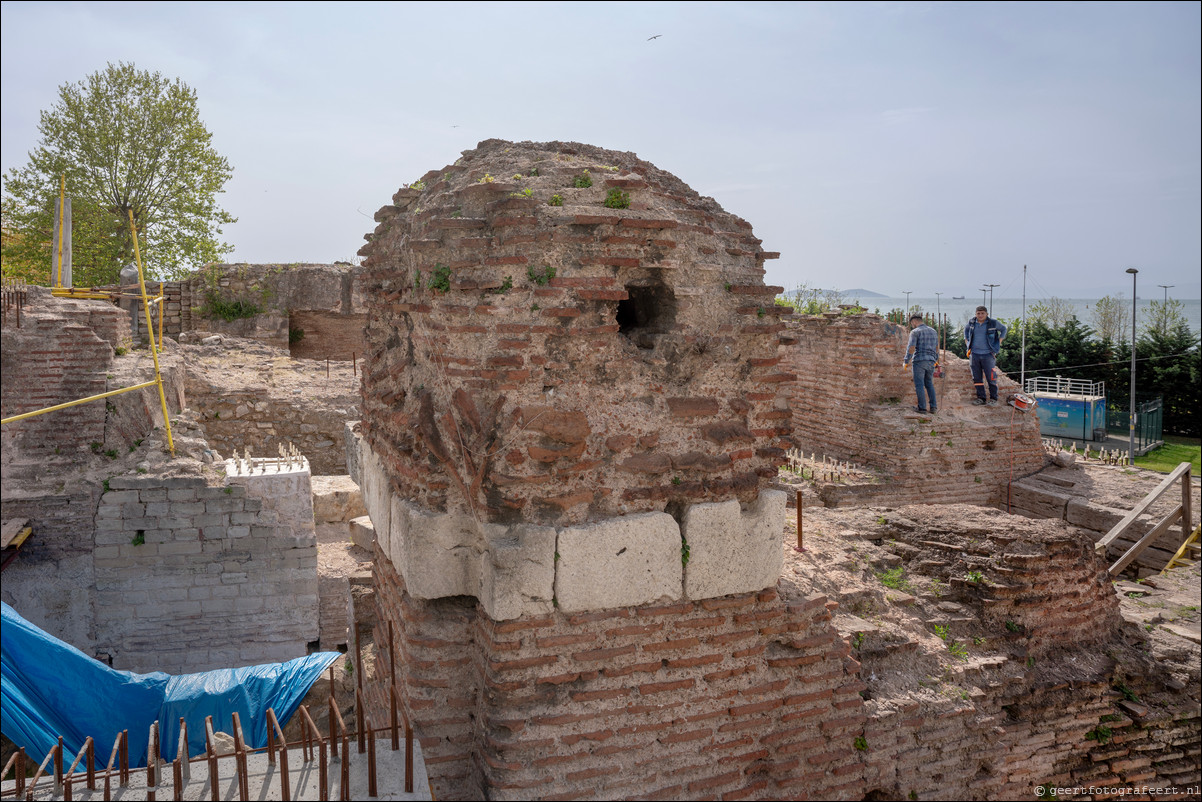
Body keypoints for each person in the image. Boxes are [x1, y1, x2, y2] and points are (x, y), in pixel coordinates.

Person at [963, 305, 1007, 406]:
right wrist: (967, 343)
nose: (980, 315)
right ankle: (981, 398)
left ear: (987, 314)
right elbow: (966, 332)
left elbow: (1004, 329)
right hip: (974, 355)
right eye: (978, 313)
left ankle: (993, 399)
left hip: (988, 355)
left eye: (982, 313)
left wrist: (999, 342)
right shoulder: (971, 323)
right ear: (975, 314)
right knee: (977, 378)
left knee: (991, 377)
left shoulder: (993, 323)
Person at [902, 313, 939, 413]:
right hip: (931, 361)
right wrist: (936, 360)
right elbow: (936, 348)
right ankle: (933, 407)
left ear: (914, 321)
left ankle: (922, 408)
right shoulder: (933, 331)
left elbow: (912, 348)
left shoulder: (915, 332)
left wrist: (906, 361)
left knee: (919, 385)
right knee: (929, 384)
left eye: (912, 323)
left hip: (919, 361)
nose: (912, 325)